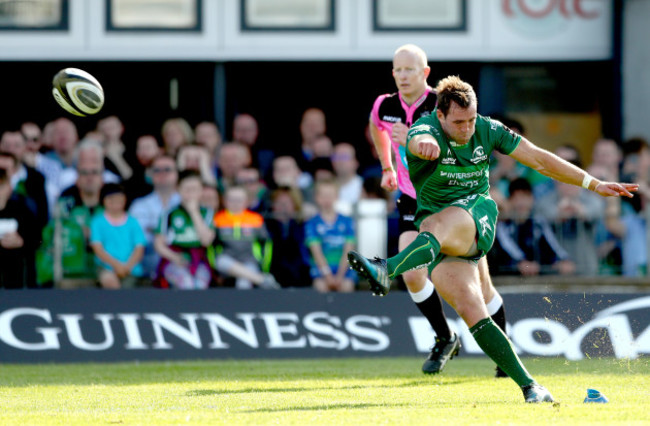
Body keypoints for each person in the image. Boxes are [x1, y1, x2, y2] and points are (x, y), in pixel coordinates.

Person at [348, 75, 638, 403]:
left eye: (471, 119)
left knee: (446, 220)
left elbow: (539, 159)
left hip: (477, 215)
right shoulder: (424, 129)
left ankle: (386, 268)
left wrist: (592, 183)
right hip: (440, 239)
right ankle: (531, 387)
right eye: (459, 122)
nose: (468, 128)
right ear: (440, 116)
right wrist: (420, 145)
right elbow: (417, 140)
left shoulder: (489, 129)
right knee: (472, 306)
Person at [367, 44, 509, 376]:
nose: (403, 76)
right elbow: (377, 126)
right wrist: (387, 167)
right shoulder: (385, 105)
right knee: (412, 271)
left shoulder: (443, 105)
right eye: (398, 70)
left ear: (425, 73)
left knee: (481, 286)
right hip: (412, 197)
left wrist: (411, 143)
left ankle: (504, 356)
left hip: (451, 198)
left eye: (410, 70)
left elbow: (462, 143)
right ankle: (445, 337)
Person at [492, 178, 576, 276]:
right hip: (509, 279)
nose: (521, 203)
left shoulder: (538, 222)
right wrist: (522, 263)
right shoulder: (503, 225)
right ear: (510, 201)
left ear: (532, 199)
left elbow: (552, 245)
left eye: (525, 197)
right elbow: (509, 250)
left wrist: (564, 260)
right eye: (516, 198)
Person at [154, 170, 216, 290]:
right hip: (173, 260)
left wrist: (194, 212)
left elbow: (206, 241)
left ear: (201, 190)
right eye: (187, 189)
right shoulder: (169, 213)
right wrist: (174, 257)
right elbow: (159, 244)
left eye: (195, 189)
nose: (191, 194)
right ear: (178, 189)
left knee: (200, 284)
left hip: (199, 260)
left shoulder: (207, 213)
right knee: (186, 283)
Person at [209, 185, 280, 289]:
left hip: (249, 261)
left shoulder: (255, 219)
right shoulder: (218, 219)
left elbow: (266, 244)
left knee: (243, 283)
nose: (235, 203)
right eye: (231, 200)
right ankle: (262, 280)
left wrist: (264, 267)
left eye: (239, 200)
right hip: (226, 261)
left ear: (246, 201)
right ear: (224, 201)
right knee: (221, 261)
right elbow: (212, 247)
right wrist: (214, 270)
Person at [129, 155, 181, 280]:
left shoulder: (186, 202)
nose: (162, 174)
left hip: (180, 252)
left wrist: (154, 229)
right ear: (150, 175)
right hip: (149, 255)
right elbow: (138, 238)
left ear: (177, 174)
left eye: (167, 170)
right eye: (157, 170)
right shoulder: (139, 205)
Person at [90, 183, 146, 289]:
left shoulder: (133, 222)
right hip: (106, 267)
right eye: (110, 198)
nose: (114, 202)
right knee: (110, 282)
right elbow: (98, 249)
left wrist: (127, 267)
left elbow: (139, 248)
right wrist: (116, 265)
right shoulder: (97, 222)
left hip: (131, 269)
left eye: (118, 198)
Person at [305, 180, 356, 293]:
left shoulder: (347, 221)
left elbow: (349, 251)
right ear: (317, 198)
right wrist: (327, 275)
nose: (327, 199)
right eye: (323, 196)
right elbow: (316, 252)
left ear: (337, 197)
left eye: (330, 195)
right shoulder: (312, 223)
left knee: (347, 286)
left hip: (342, 270)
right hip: (321, 270)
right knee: (321, 287)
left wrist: (339, 276)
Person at [265, 187, 312, 288]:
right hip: (273, 276)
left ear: (295, 205)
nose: (283, 208)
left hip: (301, 276)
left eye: (286, 204)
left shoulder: (303, 225)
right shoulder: (268, 225)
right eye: (279, 203)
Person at [0, 168, 39, 288]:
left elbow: (38, 240)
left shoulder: (22, 210)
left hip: (19, 282)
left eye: (1, 186)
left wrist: (21, 242)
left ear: (9, 188)